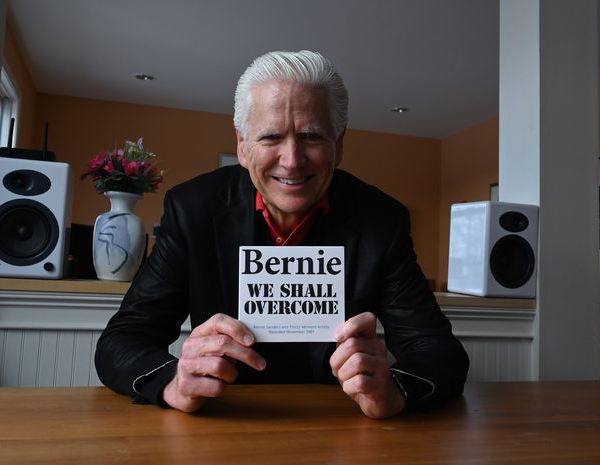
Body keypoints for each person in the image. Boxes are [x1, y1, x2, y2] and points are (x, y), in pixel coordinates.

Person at [95, 50, 469, 419]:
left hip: (340, 425)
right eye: (271, 137)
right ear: (242, 144)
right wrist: (173, 382)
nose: (291, 160)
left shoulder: (381, 221)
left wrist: (395, 391)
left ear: (338, 145)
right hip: (223, 421)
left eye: (311, 136)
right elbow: (121, 341)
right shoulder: (193, 210)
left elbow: (439, 351)